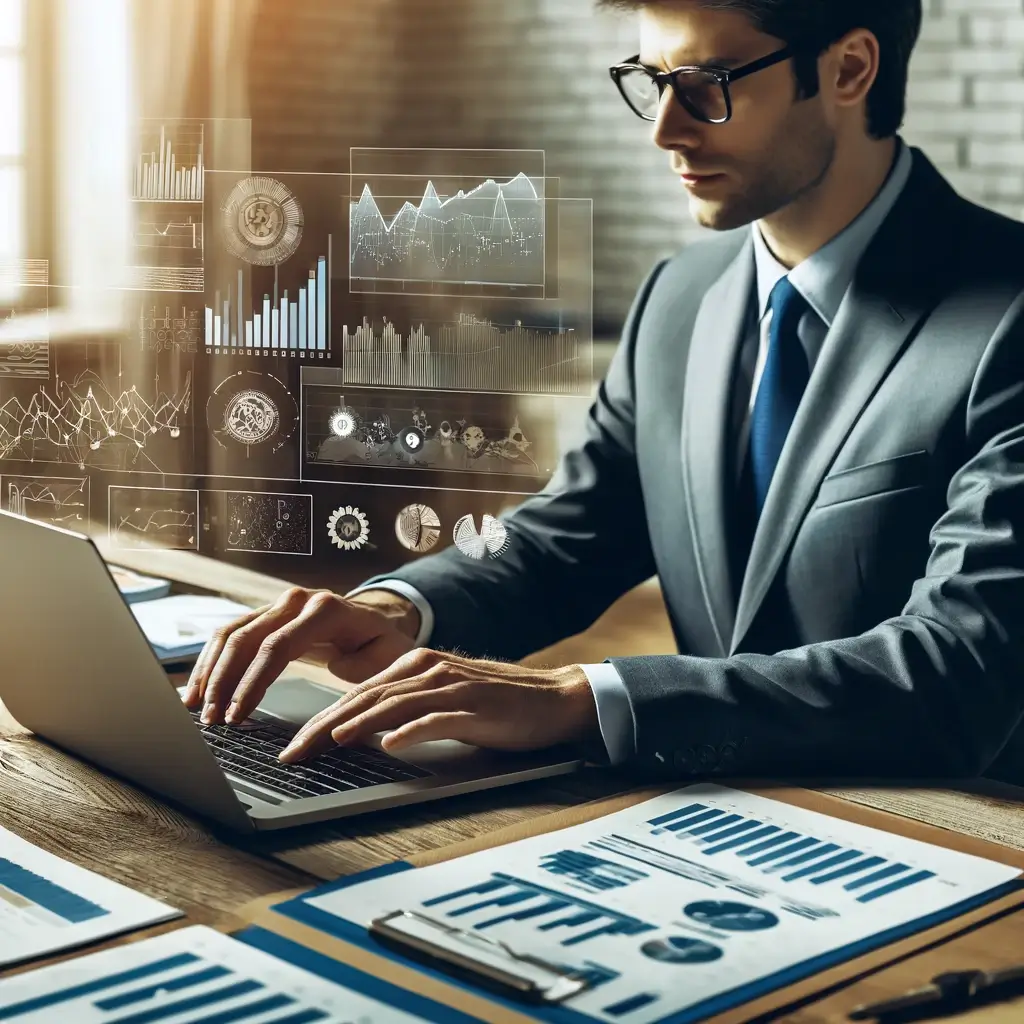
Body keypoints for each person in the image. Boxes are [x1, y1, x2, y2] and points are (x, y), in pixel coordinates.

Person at [185, 0, 1024, 783]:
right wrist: (401, 606)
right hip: (707, 814)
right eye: (653, 83)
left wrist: (588, 698)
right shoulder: (679, 297)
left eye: (705, 87)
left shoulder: (1006, 316)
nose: (666, 129)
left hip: (961, 837)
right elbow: (570, 531)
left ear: (848, 70)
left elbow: (961, 666)